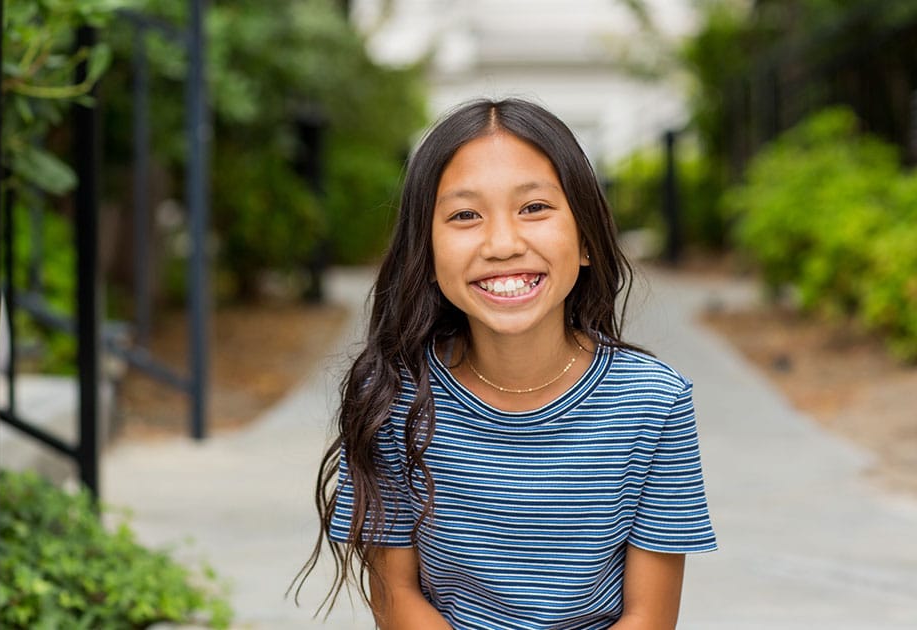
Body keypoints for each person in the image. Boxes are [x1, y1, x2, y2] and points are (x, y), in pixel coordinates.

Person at [293, 98, 717, 629]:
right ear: (426, 253)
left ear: (585, 239)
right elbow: (396, 597)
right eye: (465, 215)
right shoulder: (391, 398)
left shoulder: (655, 402)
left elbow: (649, 617)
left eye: (534, 208)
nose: (502, 244)